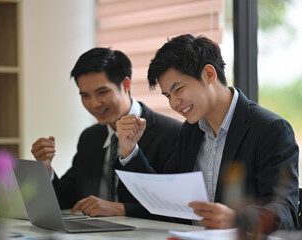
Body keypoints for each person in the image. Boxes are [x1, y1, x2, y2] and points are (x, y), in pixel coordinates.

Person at [116, 34, 299, 231]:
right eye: (168, 95)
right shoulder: (191, 131)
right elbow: (164, 197)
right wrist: (130, 150)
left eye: (179, 90)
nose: (174, 103)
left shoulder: (270, 129)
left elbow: (285, 213)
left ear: (209, 74)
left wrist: (237, 219)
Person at [31, 47, 182, 218]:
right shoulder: (90, 137)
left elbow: (174, 205)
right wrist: (46, 169)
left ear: (126, 85)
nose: (94, 104)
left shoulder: (173, 133)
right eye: (85, 96)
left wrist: (119, 209)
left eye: (102, 92)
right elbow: (69, 197)